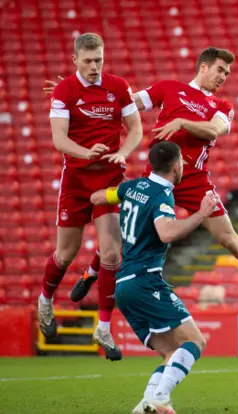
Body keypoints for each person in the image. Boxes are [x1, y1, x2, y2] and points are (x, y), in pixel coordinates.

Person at [62, 47, 238, 325]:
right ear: (204, 67)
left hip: (195, 178)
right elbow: (126, 103)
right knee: (130, 233)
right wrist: (78, 96)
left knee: (230, 240)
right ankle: (91, 272)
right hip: (158, 177)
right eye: (220, 70)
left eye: (228, 73)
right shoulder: (169, 88)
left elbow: (213, 131)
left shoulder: (223, 107)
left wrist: (182, 121)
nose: (224, 76)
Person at [39, 33, 143, 361]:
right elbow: (59, 139)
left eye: (99, 59)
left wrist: (122, 152)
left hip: (109, 180)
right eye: (88, 60)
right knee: (64, 254)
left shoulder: (118, 86)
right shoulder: (64, 90)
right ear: (75, 61)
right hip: (76, 183)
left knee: (113, 253)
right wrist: (87, 152)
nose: (95, 66)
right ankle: (44, 301)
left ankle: (103, 328)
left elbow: (136, 128)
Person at [91, 141, 214, 414]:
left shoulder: (131, 187)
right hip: (146, 280)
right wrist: (201, 214)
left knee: (171, 354)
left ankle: (146, 404)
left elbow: (98, 197)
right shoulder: (162, 195)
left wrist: (112, 199)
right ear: (176, 166)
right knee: (195, 342)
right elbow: (167, 233)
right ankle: (161, 398)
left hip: (122, 286)